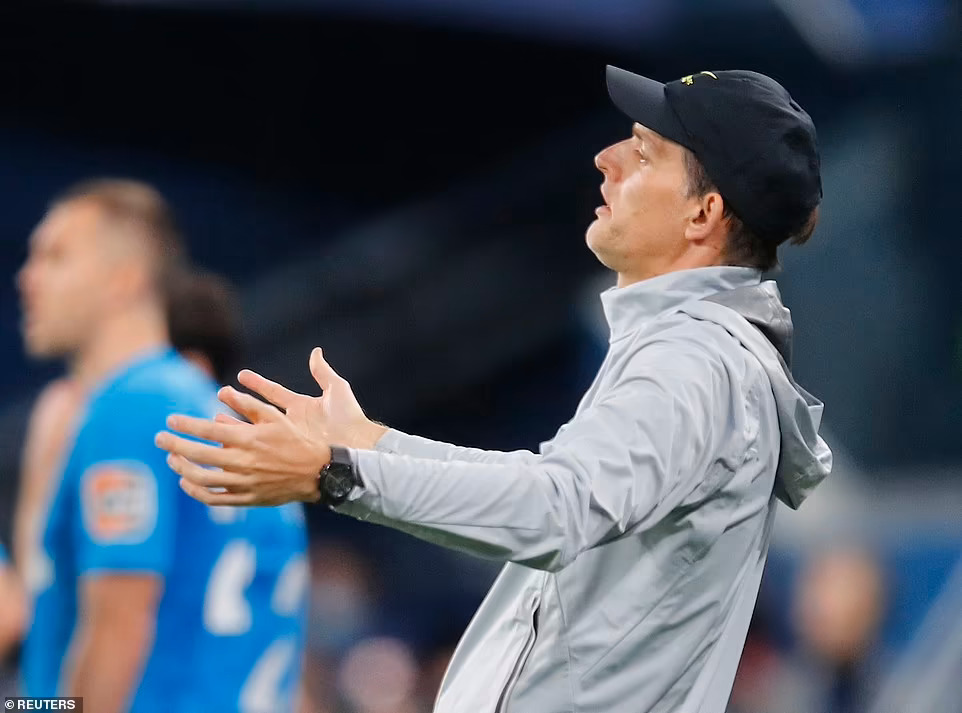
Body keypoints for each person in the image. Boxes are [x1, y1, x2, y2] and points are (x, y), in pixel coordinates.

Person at [157, 65, 833, 713]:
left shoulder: (693, 361)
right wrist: (370, 444)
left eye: (644, 155)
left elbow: (555, 508)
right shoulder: (695, 352)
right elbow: (548, 484)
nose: (606, 160)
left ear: (703, 214)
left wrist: (338, 474)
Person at [17, 179, 241, 713]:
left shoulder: (129, 405)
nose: (27, 277)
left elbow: (117, 627)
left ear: (124, 280)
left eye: (56, 257)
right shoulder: (205, 405)